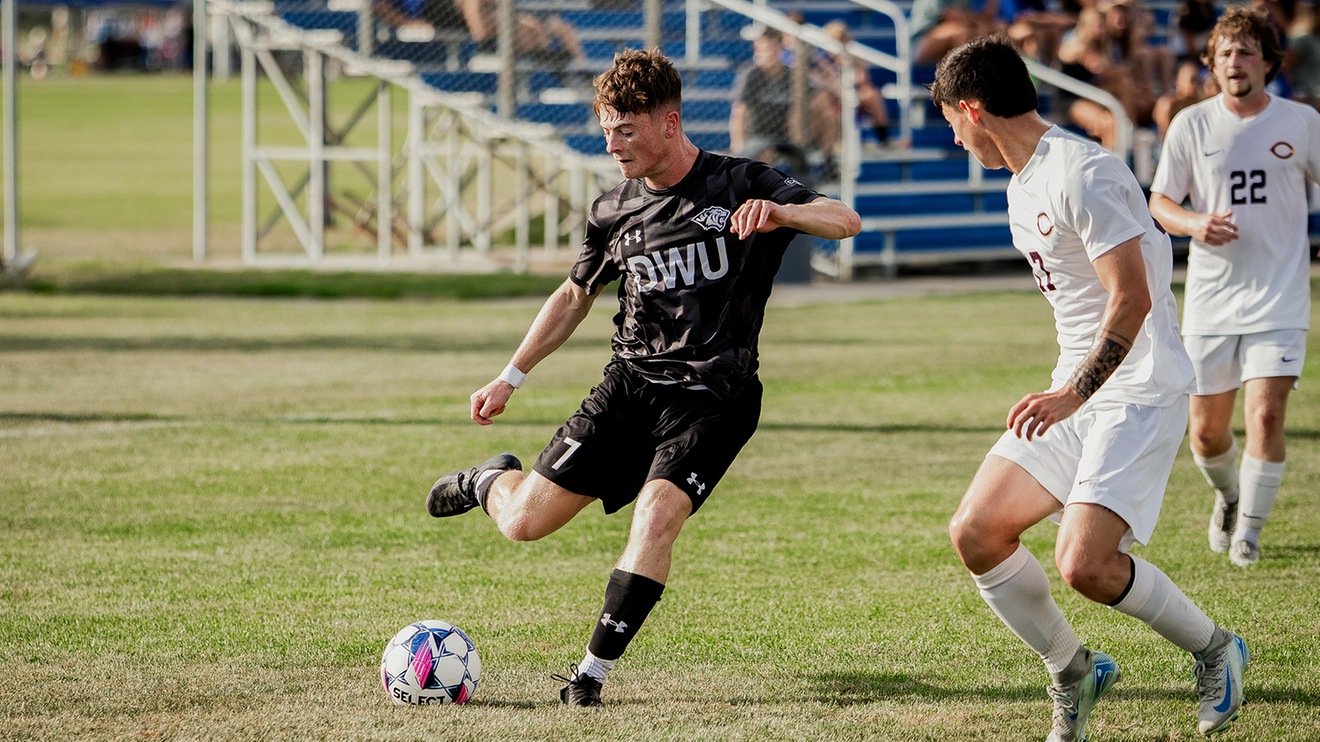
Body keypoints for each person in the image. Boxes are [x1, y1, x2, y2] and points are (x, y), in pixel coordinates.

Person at [424, 48, 861, 707]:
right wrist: (510, 376)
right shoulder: (612, 210)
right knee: (521, 524)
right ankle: (489, 479)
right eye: (607, 129)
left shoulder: (741, 183)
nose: (612, 144)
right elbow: (574, 296)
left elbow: (845, 220)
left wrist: (783, 214)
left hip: (715, 399)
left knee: (657, 515)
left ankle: (589, 678)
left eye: (625, 130)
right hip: (628, 390)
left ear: (669, 122)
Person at [931, 35, 1249, 741]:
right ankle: (1074, 670)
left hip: (1139, 390)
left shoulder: (1085, 171)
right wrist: (1069, 392)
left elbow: (1132, 297)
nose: (953, 139)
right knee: (976, 532)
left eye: (951, 122)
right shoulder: (1021, 184)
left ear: (973, 109)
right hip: (1075, 389)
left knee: (1085, 565)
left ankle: (1216, 649)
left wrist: (1073, 394)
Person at [1149, 5, 1320, 567]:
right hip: (1211, 299)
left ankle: (1249, 532)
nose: (1234, 61)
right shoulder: (1191, 124)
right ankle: (1228, 496)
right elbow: (1160, 202)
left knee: (1266, 415)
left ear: (1269, 62)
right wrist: (1195, 222)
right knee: (1204, 432)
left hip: (1280, 295)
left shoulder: (1301, 122)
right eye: (1224, 52)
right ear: (1212, 63)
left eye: (1246, 51)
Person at [729, 28, 803, 159]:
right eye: (763, 49)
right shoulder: (751, 75)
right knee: (765, 153)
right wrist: (738, 143)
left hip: (783, 134)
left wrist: (797, 140)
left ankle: (829, 160)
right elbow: (740, 111)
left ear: (781, 49)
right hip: (757, 135)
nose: (768, 54)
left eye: (772, 48)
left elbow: (796, 110)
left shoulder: (790, 75)